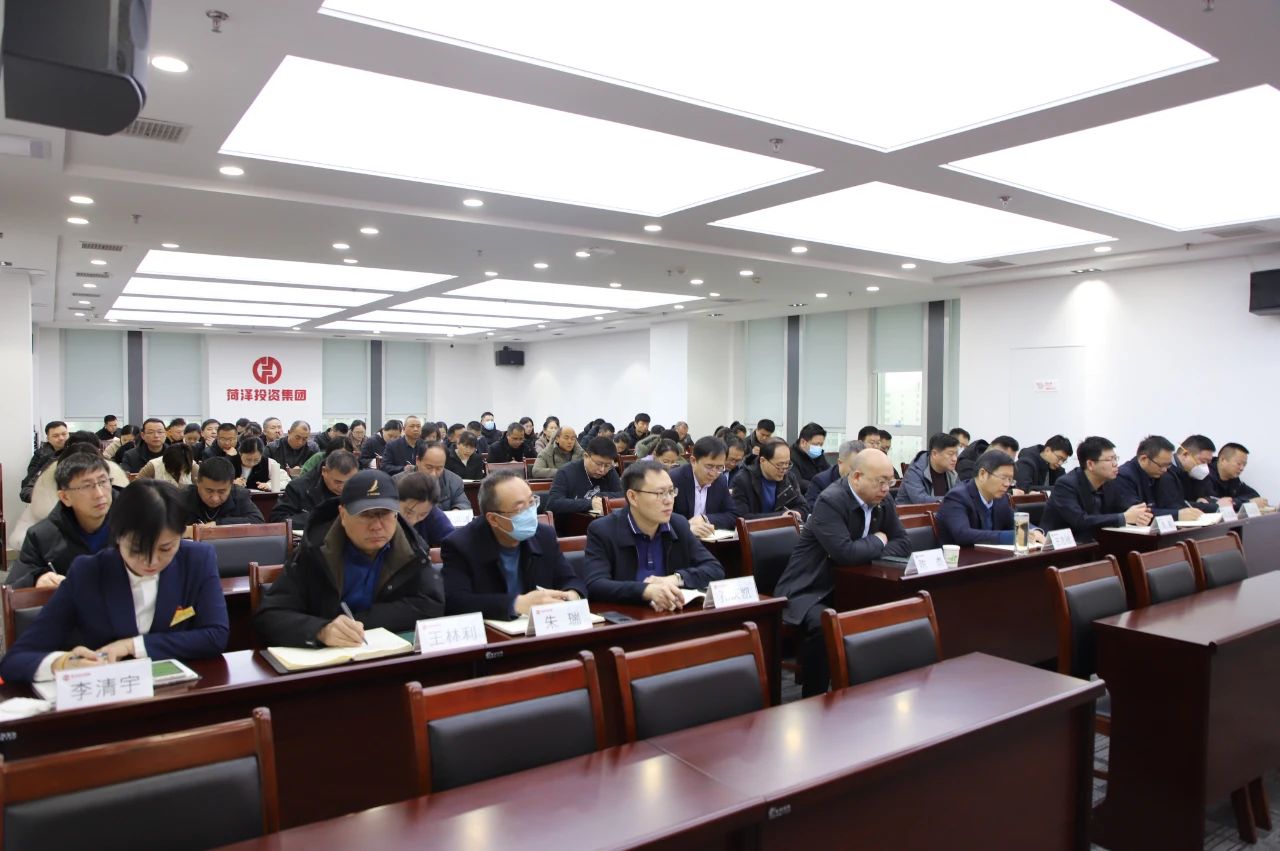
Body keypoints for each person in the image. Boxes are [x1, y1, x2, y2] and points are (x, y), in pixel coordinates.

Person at [0, 479, 229, 684]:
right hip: (109, 693)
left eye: (165, 548)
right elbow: (16, 660)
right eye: (138, 549)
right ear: (117, 535)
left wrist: (132, 646)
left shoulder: (197, 559)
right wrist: (62, 663)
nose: (151, 561)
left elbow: (216, 635)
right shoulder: (89, 572)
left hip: (177, 691)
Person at [254, 470, 445, 647]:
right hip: (328, 661)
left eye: (385, 514)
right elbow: (270, 615)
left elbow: (431, 604)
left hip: (390, 655)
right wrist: (321, 630)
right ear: (343, 515)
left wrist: (360, 621)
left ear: (396, 515)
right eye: (366, 515)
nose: (376, 526)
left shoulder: (412, 549)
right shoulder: (314, 551)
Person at [774, 449, 910, 696]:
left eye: (889, 482)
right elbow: (844, 553)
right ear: (857, 477)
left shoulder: (884, 500)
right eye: (880, 482)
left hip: (855, 585)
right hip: (811, 588)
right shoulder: (831, 501)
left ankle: (869, 692)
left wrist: (866, 548)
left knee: (893, 610)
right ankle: (815, 698)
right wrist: (878, 540)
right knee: (824, 622)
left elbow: (903, 543)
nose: (885, 489)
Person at [441, 471, 587, 619]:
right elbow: (456, 601)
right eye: (519, 509)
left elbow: (570, 580)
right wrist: (516, 604)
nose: (529, 512)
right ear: (494, 519)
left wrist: (572, 595)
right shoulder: (460, 545)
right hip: (493, 629)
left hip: (543, 624)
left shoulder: (544, 535)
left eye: (531, 502)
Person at [581, 460, 724, 610]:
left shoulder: (678, 524)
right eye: (660, 493)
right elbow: (595, 584)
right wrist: (646, 591)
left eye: (671, 492)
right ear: (633, 497)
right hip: (629, 616)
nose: (669, 500)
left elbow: (714, 569)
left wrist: (675, 579)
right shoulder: (603, 530)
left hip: (672, 613)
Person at [9, 453, 117, 588]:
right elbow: (13, 589)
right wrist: (37, 579)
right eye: (86, 486)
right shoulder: (42, 536)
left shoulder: (133, 523)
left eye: (103, 482)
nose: (99, 494)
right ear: (65, 497)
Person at [1041, 436, 1152, 542]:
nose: (1115, 464)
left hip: (1095, 541)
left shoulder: (1110, 482)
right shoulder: (1066, 485)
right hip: (1060, 545)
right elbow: (1080, 521)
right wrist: (1124, 517)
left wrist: (1139, 515)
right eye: (1110, 460)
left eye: (1115, 458)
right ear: (1090, 464)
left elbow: (1122, 508)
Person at [937, 450, 1046, 547]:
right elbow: (963, 534)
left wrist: (1033, 531)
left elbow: (1015, 520)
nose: (1007, 484)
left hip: (991, 557)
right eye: (1003, 478)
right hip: (960, 559)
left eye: (1010, 479)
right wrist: (1014, 536)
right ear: (982, 474)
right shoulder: (957, 497)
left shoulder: (1000, 498)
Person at [1103, 435, 1205, 521]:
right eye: (1162, 465)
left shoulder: (1162, 475)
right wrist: (1177, 515)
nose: (1165, 470)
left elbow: (1172, 504)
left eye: (1168, 465)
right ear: (1144, 459)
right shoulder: (1123, 477)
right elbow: (1139, 513)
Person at [271, 449, 359, 531]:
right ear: (324, 471)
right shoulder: (298, 488)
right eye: (338, 482)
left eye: (349, 482)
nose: (342, 487)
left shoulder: (361, 487)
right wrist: (318, 518)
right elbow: (278, 519)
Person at [671, 436, 736, 536]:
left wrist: (705, 518)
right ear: (693, 461)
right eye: (709, 466)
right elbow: (661, 517)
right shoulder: (674, 479)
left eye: (719, 467)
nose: (713, 473)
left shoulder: (720, 480)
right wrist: (686, 528)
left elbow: (732, 515)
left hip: (709, 540)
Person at [730, 438, 808, 520]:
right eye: (779, 465)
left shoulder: (789, 478)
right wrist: (781, 517)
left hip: (785, 527)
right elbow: (741, 516)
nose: (784, 470)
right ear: (762, 461)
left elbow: (803, 507)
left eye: (787, 464)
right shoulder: (743, 480)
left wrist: (795, 514)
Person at [545, 436, 623, 515]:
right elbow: (553, 504)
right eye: (598, 464)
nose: (602, 470)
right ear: (586, 456)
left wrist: (601, 497)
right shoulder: (565, 472)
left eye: (607, 465)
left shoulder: (610, 471)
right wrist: (590, 503)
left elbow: (622, 495)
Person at [180, 457, 264, 529]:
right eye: (209, 490)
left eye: (221, 491)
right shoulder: (182, 497)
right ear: (197, 482)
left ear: (231, 485)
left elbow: (258, 521)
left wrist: (218, 524)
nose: (215, 498)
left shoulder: (239, 495)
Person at [396, 441, 470, 510]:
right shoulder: (398, 481)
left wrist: (457, 511)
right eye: (429, 467)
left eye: (439, 468)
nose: (433, 474)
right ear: (418, 461)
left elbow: (463, 503)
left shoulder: (454, 481)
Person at [897, 432, 960, 504]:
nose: (955, 459)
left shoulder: (951, 472)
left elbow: (960, 495)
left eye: (956, 454)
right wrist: (952, 500)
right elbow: (921, 501)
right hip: (913, 511)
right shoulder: (915, 471)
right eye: (950, 454)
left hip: (942, 510)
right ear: (934, 454)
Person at [397, 471, 455, 549]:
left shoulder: (433, 515)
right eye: (408, 512)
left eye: (422, 514)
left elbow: (454, 544)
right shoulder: (387, 515)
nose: (413, 521)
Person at [1205, 443, 1269, 510]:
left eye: (1244, 465)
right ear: (1222, 460)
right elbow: (1212, 504)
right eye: (1239, 464)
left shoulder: (1233, 479)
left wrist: (1236, 502)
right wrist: (1246, 503)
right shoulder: (1205, 476)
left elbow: (1254, 495)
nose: (1242, 468)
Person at [1168, 434, 1223, 512]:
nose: (1205, 466)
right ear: (1185, 454)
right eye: (1203, 461)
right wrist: (1212, 506)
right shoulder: (1166, 472)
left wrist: (1207, 500)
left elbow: (1210, 496)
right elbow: (1177, 505)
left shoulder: (1197, 473)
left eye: (1208, 462)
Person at [806, 439, 864, 511]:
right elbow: (813, 510)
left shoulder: (868, 481)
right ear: (840, 462)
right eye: (853, 467)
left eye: (863, 467)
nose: (858, 472)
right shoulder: (821, 482)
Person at [21, 420, 70, 502]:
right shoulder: (40, 455)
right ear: (48, 439)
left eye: (64, 434)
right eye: (55, 436)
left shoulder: (77, 453)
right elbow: (29, 482)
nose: (61, 438)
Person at [790, 422, 830, 489]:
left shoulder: (818, 454)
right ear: (803, 442)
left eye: (821, 445)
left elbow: (829, 472)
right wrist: (819, 486)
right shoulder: (790, 456)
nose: (819, 448)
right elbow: (797, 482)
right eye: (816, 444)